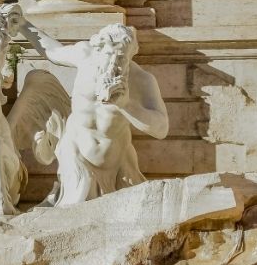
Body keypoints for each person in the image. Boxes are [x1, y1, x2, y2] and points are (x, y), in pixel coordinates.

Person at [13, 15, 168, 206]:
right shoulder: (85, 55)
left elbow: (161, 129)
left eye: (120, 58)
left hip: (116, 162)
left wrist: (126, 104)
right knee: (70, 215)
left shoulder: (142, 80)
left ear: (130, 55)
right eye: (108, 55)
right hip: (75, 154)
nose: (113, 64)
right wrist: (22, 24)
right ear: (98, 49)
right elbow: (52, 51)